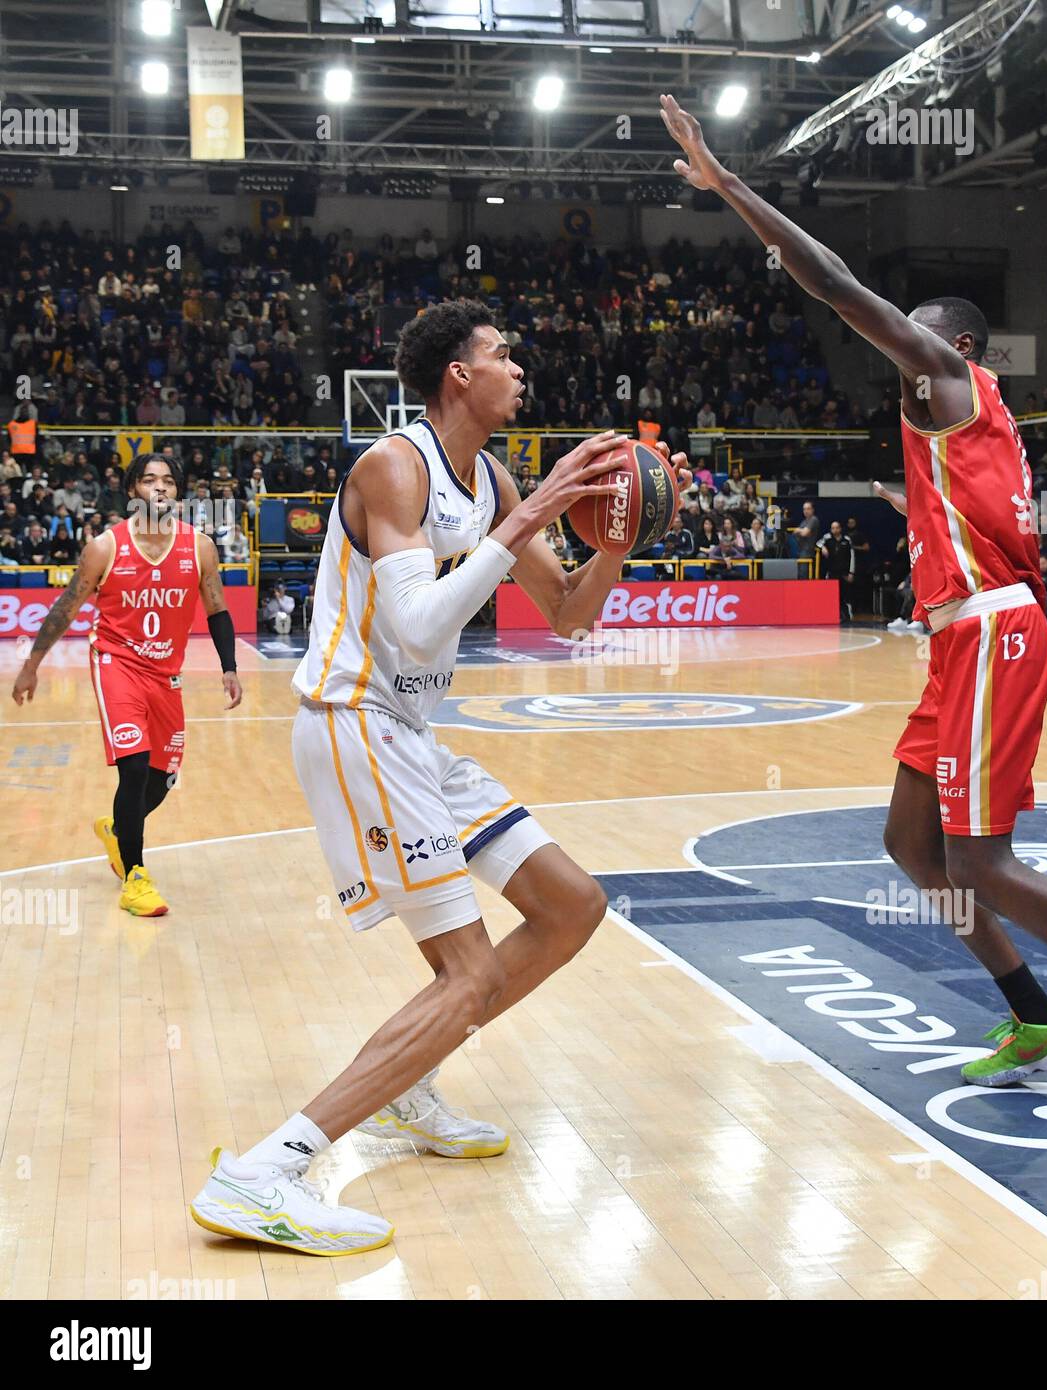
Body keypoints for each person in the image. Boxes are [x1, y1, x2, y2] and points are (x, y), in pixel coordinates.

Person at [660, 91, 1047, 1114]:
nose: (900, 347)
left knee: (982, 859)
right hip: (959, 641)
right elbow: (962, 507)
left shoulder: (948, 379)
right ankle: (1033, 1017)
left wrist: (727, 184)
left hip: (990, 640)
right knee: (909, 846)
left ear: (956, 349)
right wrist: (911, 507)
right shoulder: (965, 429)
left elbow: (834, 284)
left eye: (916, 335)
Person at [187, 299, 689, 1256]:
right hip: (354, 720)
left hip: (412, 731)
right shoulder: (394, 466)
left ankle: (409, 1083)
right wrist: (538, 510)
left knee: (572, 905)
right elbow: (417, 625)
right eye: (503, 355)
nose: (518, 369)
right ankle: (264, 1173)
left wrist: (614, 538)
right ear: (459, 374)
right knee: (464, 978)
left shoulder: (490, 476)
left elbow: (570, 612)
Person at [11, 453, 243, 917]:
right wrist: (32, 663)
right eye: (149, 480)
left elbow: (216, 608)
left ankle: (117, 832)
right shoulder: (104, 546)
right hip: (116, 664)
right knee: (134, 769)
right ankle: (135, 876)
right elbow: (66, 607)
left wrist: (229, 666)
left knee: (163, 779)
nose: (159, 488)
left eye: (168, 482)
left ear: (178, 492)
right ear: (134, 489)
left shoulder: (199, 547)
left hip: (166, 674)